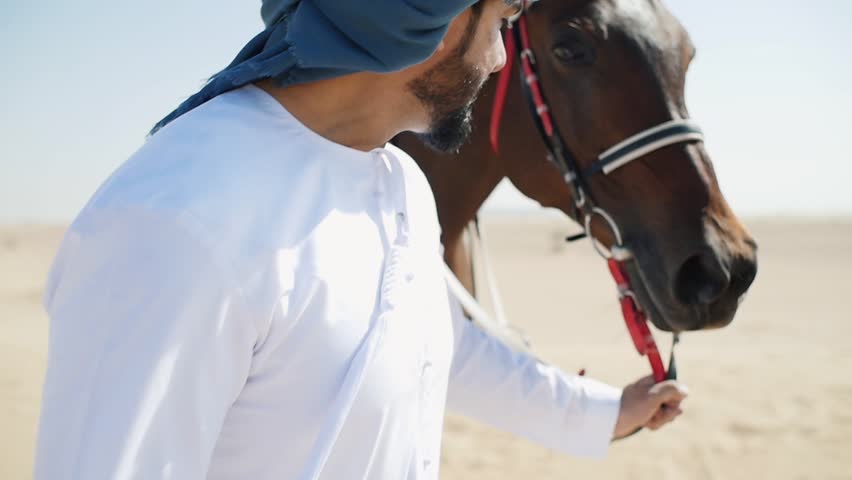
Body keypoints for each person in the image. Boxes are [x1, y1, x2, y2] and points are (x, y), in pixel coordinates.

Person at [34, 0, 688, 478]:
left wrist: (600, 413)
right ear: (428, 21)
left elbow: (437, 349)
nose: (496, 60)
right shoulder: (177, 223)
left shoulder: (399, 180)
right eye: (499, 26)